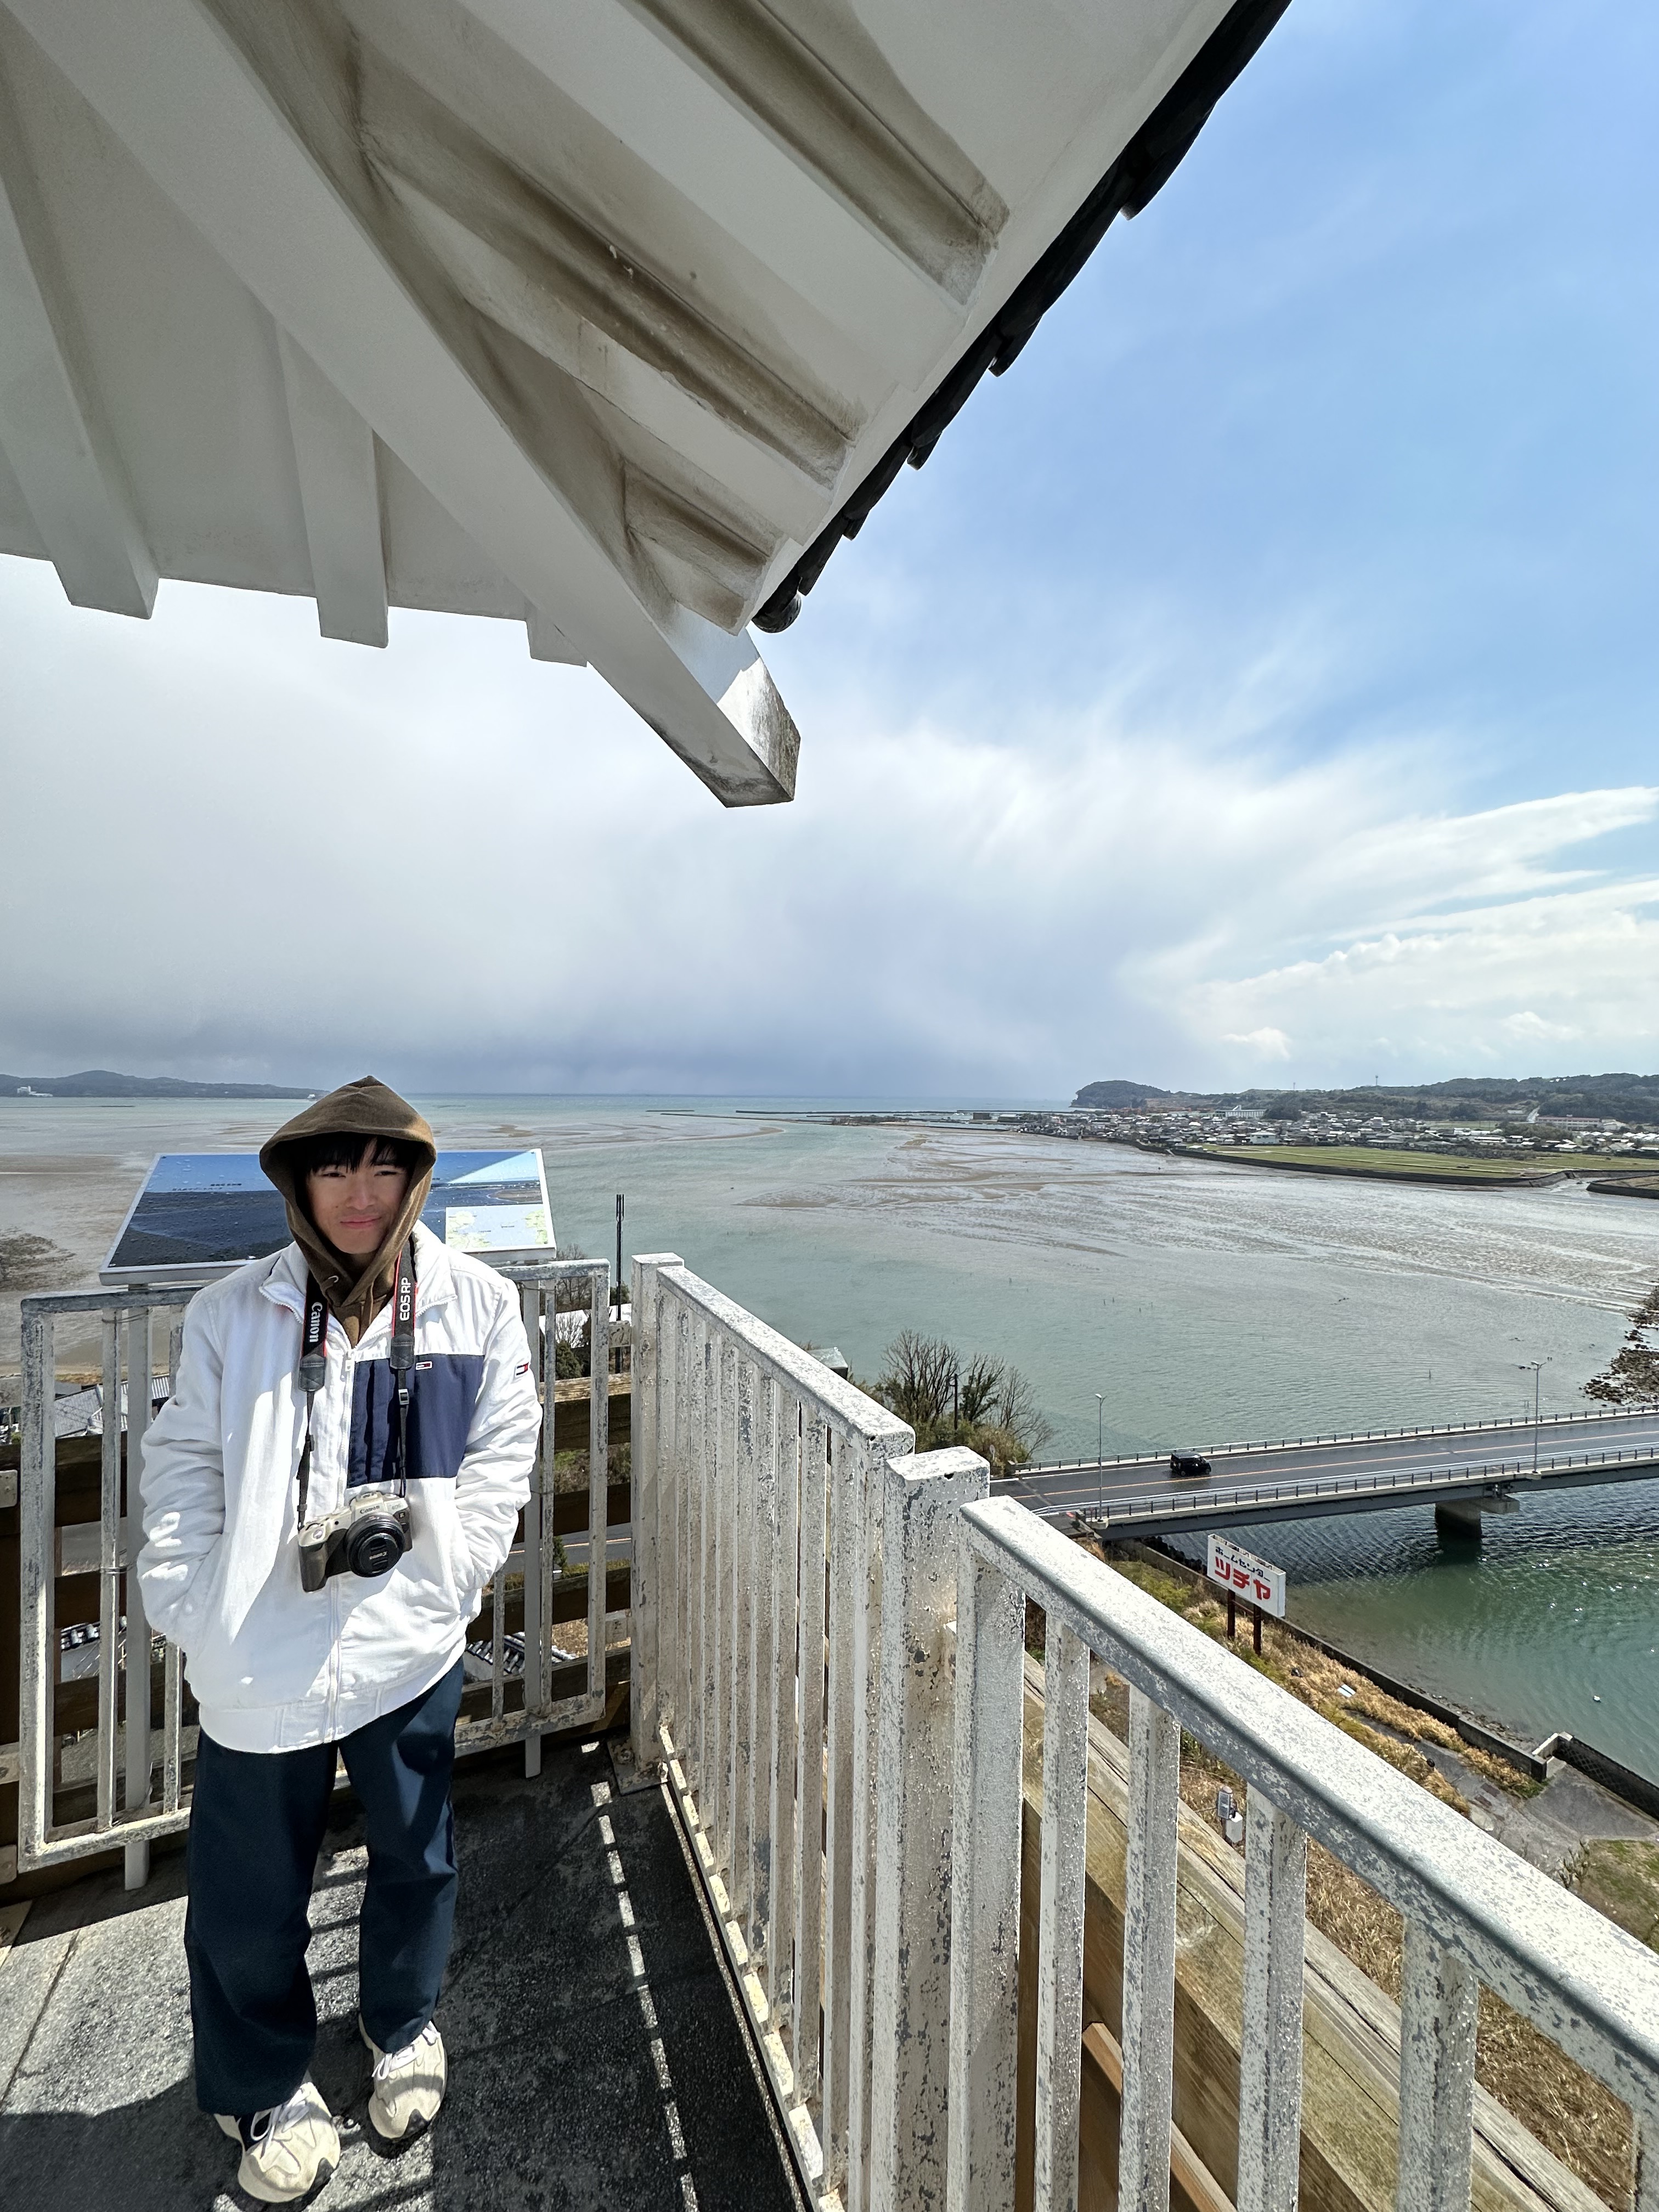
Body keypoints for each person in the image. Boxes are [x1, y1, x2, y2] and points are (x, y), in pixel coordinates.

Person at [138, 1077, 540, 2203]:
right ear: (297, 1181)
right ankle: (259, 2080)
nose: (360, 1193)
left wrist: (458, 1571)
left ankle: (402, 2021)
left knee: (419, 1849)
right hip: (258, 1650)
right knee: (246, 1890)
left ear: (415, 1180)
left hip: (408, 1636)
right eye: (334, 1167)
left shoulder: (473, 1303)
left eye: (384, 1168)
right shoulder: (231, 1314)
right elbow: (178, 1477)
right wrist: (188, 1598)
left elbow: (504, 1447)